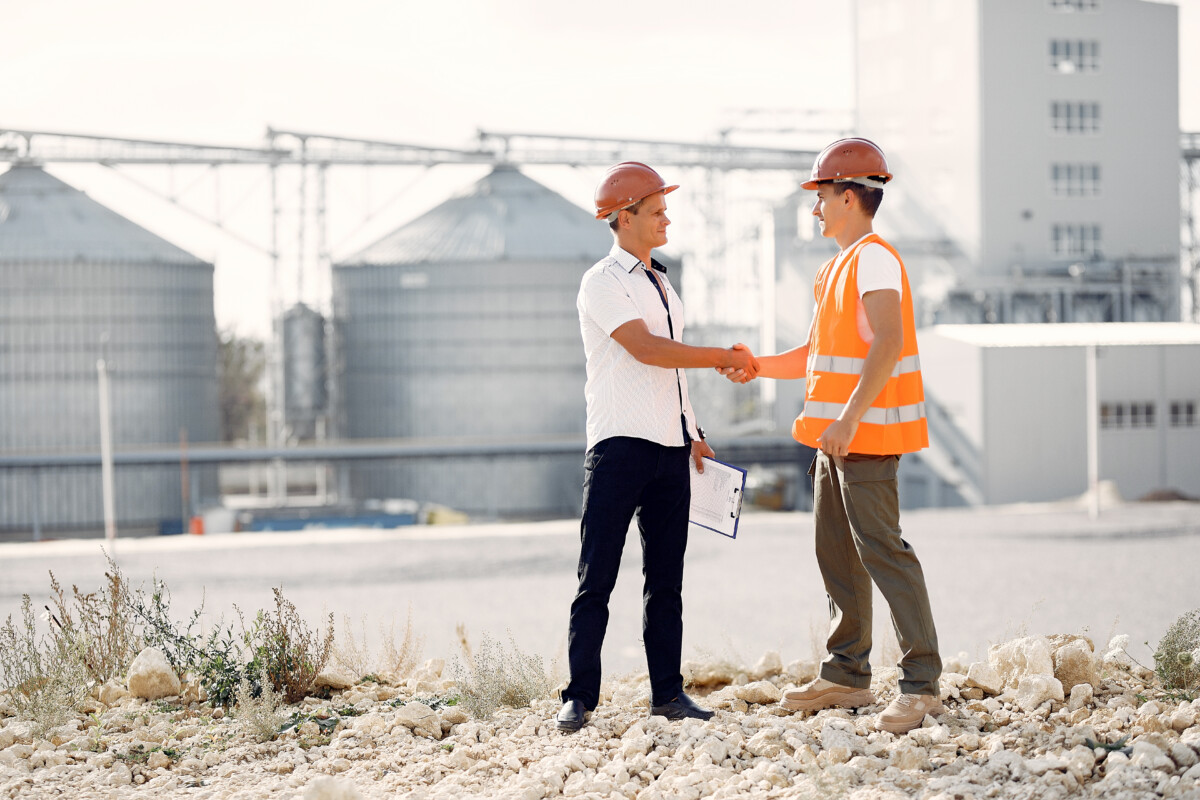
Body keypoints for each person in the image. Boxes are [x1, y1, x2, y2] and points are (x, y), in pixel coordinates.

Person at [722, 138, 942, 734]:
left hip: (862, 435)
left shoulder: (873, 258)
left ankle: (922, 684)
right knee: (838, 554)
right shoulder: (836, 266)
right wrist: (757, 365)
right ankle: (846, 676)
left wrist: (847, 419)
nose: (813, 209)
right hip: (835, 439)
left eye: (820, 198)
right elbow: (818, 354)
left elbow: (890, 343)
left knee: (883, 551)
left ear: (848, 197)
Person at [555, 161, 759, 733]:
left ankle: (668, 695)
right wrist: (722, 355)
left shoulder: (662, 283)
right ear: (624, 217)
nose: (667, 217)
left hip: (672, 449)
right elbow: (646, 350)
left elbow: (672, 374)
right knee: (596, 578)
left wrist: (694, 432)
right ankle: (579, 697)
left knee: (666, 581)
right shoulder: (601, 281)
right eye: (657, 209)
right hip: (620, 448)